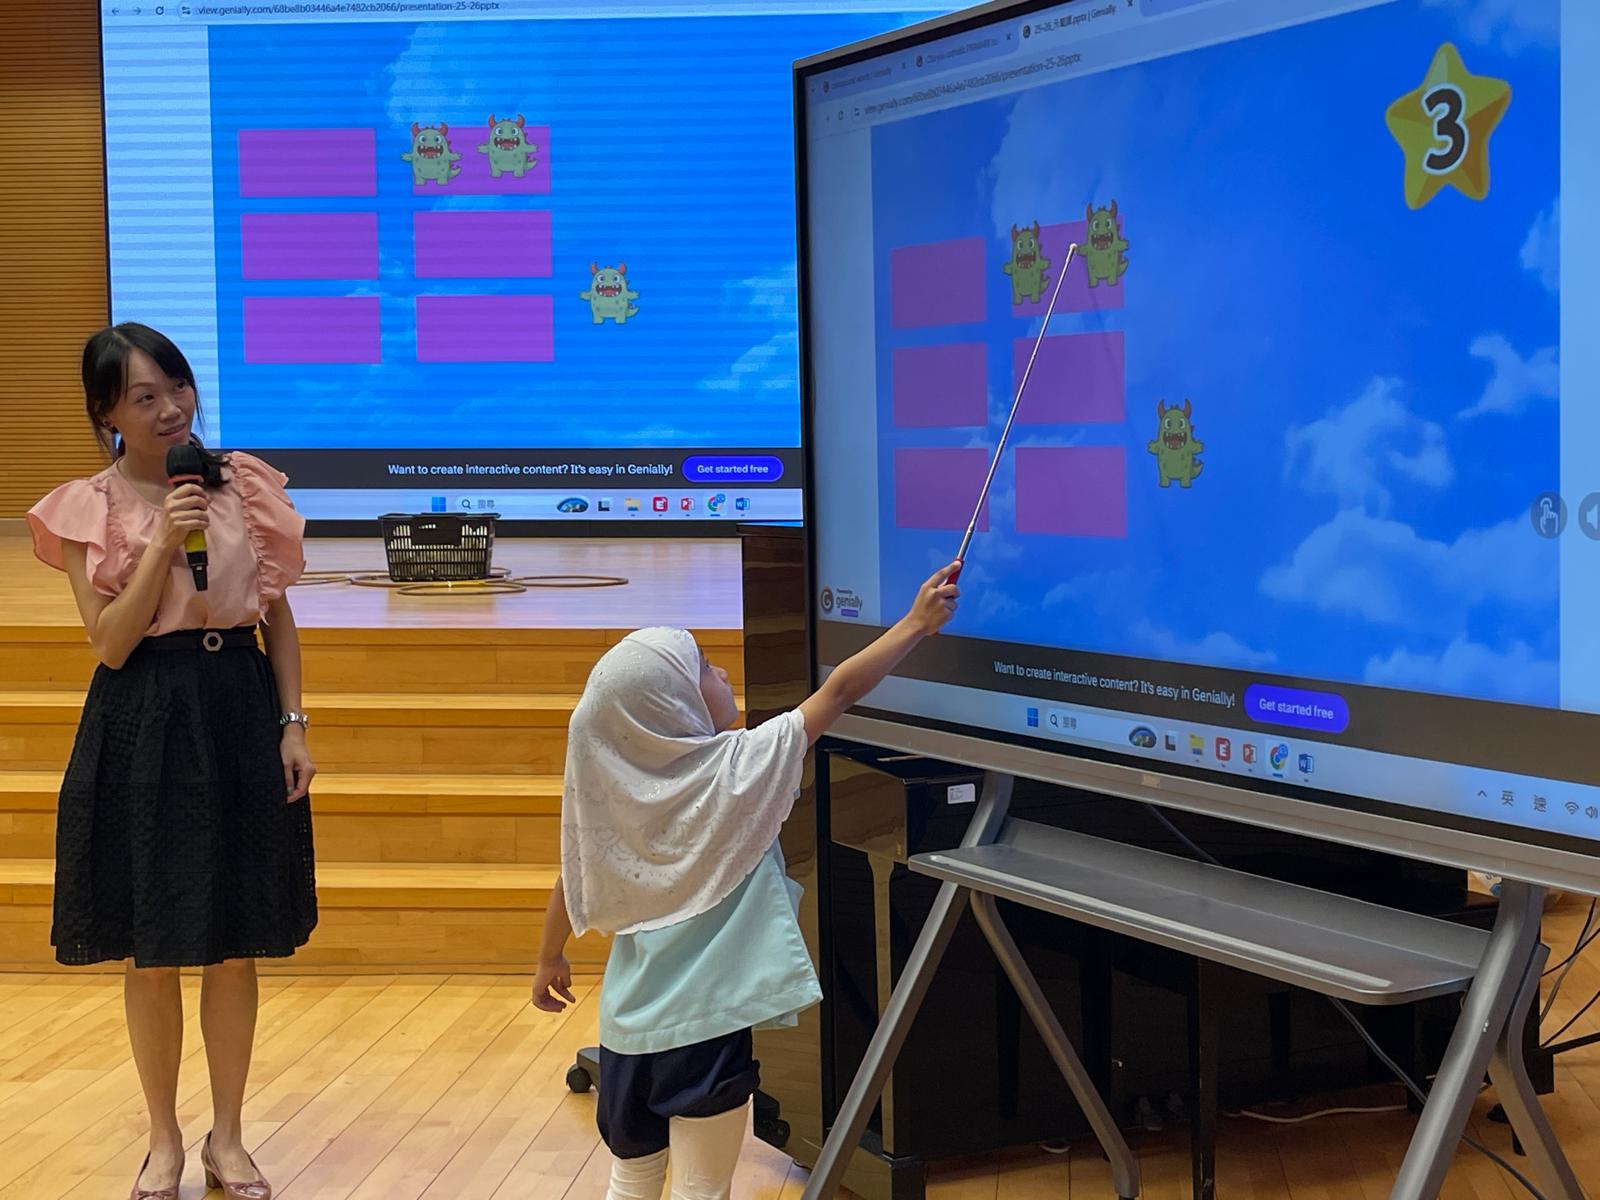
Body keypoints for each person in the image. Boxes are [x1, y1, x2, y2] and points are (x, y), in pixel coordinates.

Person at [530, 565, 960, 1200]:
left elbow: (573, 876)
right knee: (703, 1188)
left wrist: (549, 957)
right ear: (670, 703)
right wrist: (916, 623)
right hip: (704, 1036)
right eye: (705, 668)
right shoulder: (737, 769)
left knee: (631, 1181)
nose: (725, 672)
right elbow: (840, 691)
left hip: (624, 1037)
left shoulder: (611, 793)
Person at [26, 322, 317, 1200]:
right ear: (107, 414)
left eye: (178, 388)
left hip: (238, 707)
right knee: (151, 947)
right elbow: (110, 644)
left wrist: (293, 724)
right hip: (144, 714)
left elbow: (276, 616)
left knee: (233, 944)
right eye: (144, 397)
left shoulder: (242, 485)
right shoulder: (87, 508)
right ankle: (163, 1139)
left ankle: (230, 1137)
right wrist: (161, 541)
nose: (170, 409)